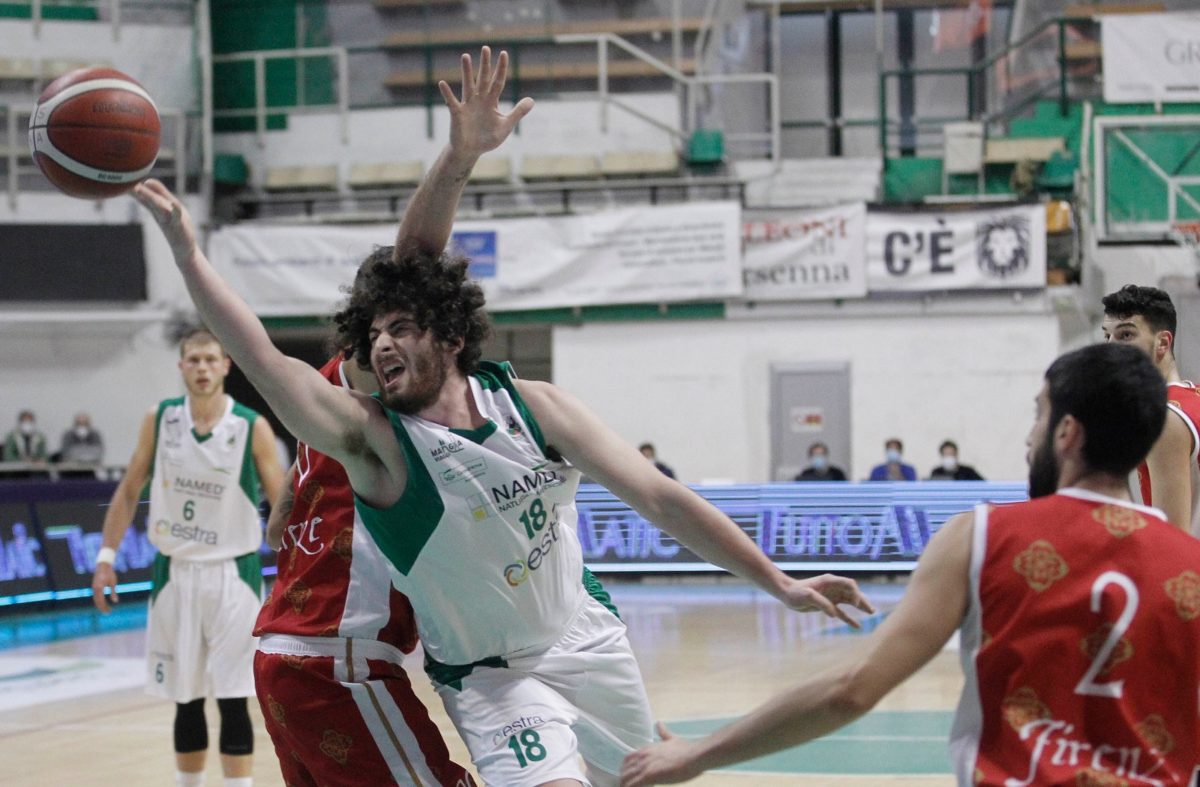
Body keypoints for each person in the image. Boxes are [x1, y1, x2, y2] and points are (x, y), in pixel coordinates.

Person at [132, 44, 873, 787]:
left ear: (451, 335)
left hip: (582, 633)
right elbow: (264, 358)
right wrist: (190, 256)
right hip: (489, 675)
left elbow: (660, 497)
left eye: (400, 328)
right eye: (372, 335)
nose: (381, 344)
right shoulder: (376, 440)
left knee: (654, 772)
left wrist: (780, 581)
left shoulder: (533, 405)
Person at [620, 343, 1200, 787]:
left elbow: (851, 688)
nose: (1030, 438)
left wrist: (697, 753)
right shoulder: (1189, 564)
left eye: (1038, 416)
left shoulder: (982, 537)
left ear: (1067, 433)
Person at [252, 48, 526, 787]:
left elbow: (295, 503)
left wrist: (289, 501)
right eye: (388, 323)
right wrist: (460, 159)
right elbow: (415, 258)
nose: (394, 337)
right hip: (337, 658)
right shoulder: (373, 383)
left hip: (287, 656)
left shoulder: (330, 398)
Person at [91, 327, 285, 787]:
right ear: (181, 367)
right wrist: (105, 557)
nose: (202, 368)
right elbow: (128, 490)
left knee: (233, 698)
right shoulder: (159, 419)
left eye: (210, 360)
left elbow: (283, 507)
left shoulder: (250, 426)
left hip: (234, 574)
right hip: (174, 573)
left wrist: (295, 572)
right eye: (193, 360)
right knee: (186, 698)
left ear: (226, 366)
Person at [1102, 284, 1200, 536]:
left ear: (1163, 343)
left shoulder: (1165, 420)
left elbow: (1171, 539)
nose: (1111, 347)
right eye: (1107, 336)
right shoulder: (1191, 397)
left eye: (1125, 335)